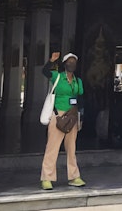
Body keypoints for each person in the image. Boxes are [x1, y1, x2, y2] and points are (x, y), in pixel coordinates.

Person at [40, 52, 85, 190]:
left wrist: (81, 117)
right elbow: (45, 71)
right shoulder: (57, 76)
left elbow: (80, 99)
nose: (72, 64)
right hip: (58, 114)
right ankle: (47, 178)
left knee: (71, 148)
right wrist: (51, 61)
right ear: (65, 64)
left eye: (74, 62)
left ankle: (74, 176)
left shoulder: (78, 81)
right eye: (69, 61)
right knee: (52, 147)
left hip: (72, 116)